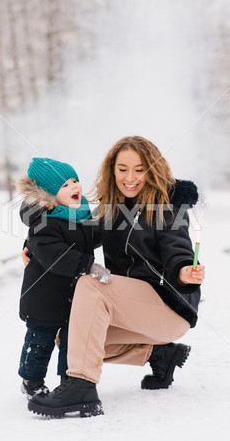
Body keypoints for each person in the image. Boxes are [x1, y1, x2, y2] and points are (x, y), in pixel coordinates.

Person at [25, 136, 205, 418]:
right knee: (68, 337)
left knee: (91, 283)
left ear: (152, 169)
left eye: (139, 169)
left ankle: (81, 386)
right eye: (122, 169)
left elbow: (177, 250)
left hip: (168, 306)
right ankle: (159, 355)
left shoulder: (168, 207)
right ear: (113, 170)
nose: (129, 177)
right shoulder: (113, 207)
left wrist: (184, 271)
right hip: (133, 310)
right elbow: (74, 232)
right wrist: (34, 244)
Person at [16, 157, 111, 399]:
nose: (75, 187)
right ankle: (31, 381)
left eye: (75, 181)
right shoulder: (43, 222)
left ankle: (69, 380)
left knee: (72, 343)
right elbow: (55, 255)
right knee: (40, 344)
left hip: (73, 297)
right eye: (65, 185)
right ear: (48, 193)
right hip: (43, 299)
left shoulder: (77, 215)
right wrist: (88, 265)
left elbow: (92, 236)